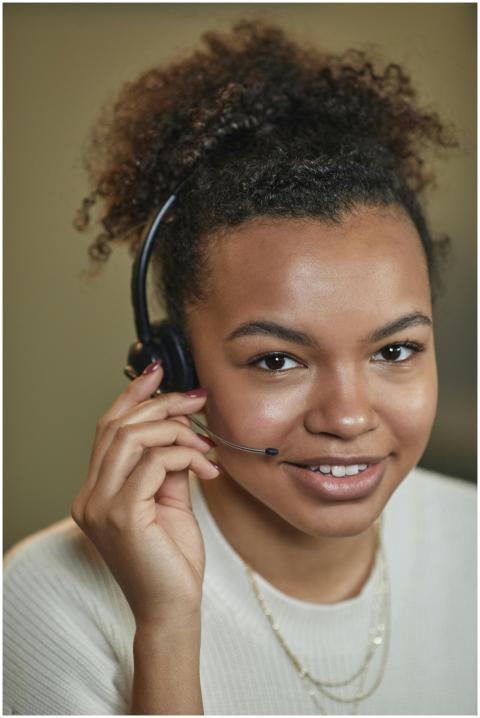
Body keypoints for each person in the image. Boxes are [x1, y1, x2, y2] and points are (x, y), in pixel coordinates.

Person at [4, 20, 476, 716]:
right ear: (172, 365)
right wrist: (165, 629)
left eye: (394, 350)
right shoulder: (45, 600)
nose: (348, 417)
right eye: (278, 359)